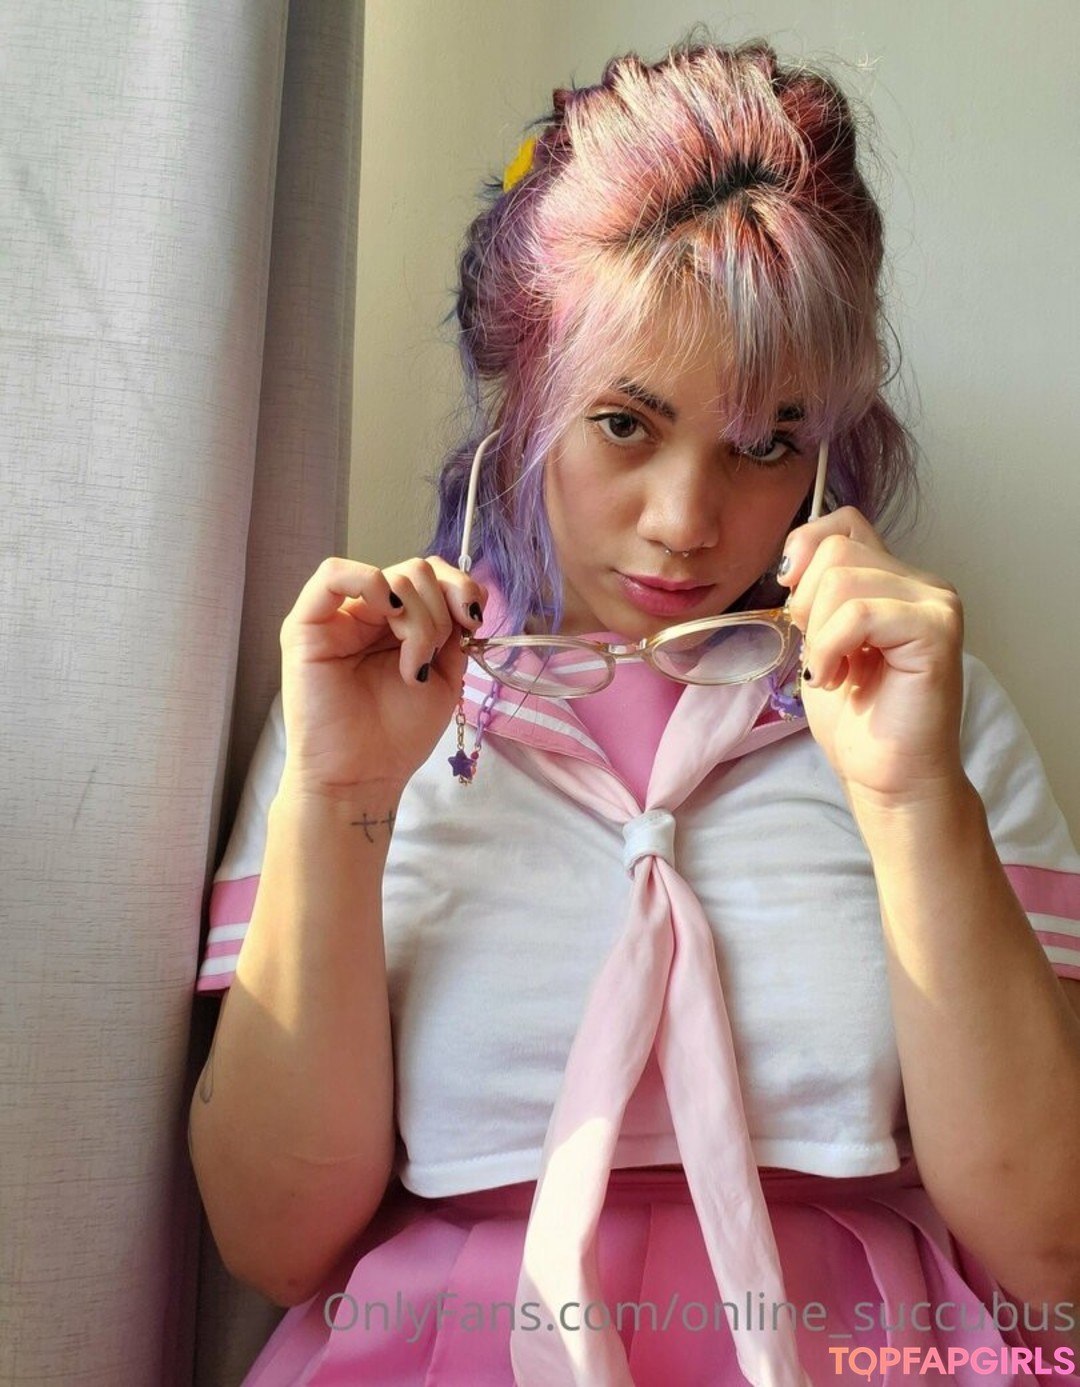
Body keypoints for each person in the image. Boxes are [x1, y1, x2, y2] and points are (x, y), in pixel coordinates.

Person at [189, 38, 1080, 1387]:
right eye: (624, 423)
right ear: (523, 395)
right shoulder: (370, 698)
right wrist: (340, 799)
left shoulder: (918, 707)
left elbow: (1050, 1250)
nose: (686, 520)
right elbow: (272, 1242)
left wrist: (912, 805)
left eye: (765, 442)